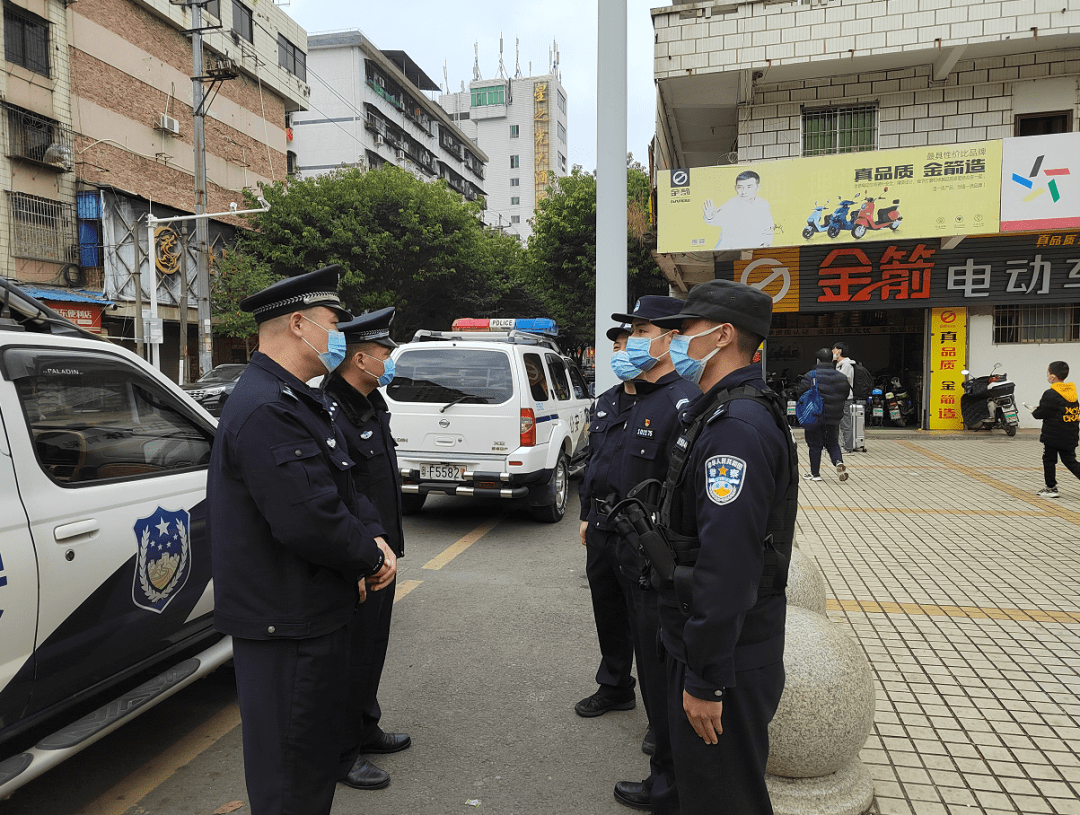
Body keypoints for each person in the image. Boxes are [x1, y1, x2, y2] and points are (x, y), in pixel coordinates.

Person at [208, 265, 397, 815]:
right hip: (285, 622)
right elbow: (307, 518)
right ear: (298, 324)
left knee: (309, 768)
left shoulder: (295, 399)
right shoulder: (268, 407)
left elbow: (343, 484)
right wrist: (368, 556)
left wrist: (374, 540)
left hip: (308, 611)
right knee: (291, 781)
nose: (340, 336)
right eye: (333, 324)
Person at [649, 279, 798, 815]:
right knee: (699, 788)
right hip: (704, 640)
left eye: (684, 331)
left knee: (723, 797)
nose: (673, 343)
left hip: (725, 658)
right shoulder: (718, 411)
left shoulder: (736, 426)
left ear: (722, 335)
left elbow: (729, 563)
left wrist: (706, 679)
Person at [608, 296, 701, 814]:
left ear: (669, 338)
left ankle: (669, 784)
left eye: (642, 331)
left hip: (660, 567)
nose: (633, 342)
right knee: (653, 672)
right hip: (632, 557)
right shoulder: (642, 396)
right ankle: (665, 772)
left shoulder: (683, 400)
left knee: (668, 681)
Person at [324, 308, 412, 790]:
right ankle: (342, 751)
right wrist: (359, 556)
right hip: (360, 552)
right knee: (350, 654)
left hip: (384, 549)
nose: (389, 361)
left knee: (372, 646)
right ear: (360, 358)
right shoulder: (330, 409)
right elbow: (341, 492)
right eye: (384, 354)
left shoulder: (370, 402)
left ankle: (365, 725)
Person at [796, 348, 850, 483]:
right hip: (834, 416)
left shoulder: (811, 375)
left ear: (818, 360)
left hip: (815, 415)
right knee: (832, 443)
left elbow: (801, 392)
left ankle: (815, 474)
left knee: (815, 445)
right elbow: (846, 394)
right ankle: (838, 462)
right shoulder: (841, 377)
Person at [1031, 360, 1080, 498]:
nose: (1047, 376)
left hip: (1053, 435)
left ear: (1053, 376)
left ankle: (1051, 488)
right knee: (1070, 461)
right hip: (1070, 433)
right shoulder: (1072, 392)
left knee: (1049, 459)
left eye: (1047, 372)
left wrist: (1033, 411)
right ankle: (1051, 488)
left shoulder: (1050, 394)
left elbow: (1040, 414)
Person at [701, 170, 774, 249]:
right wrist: (710, 217)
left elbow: (768, 228)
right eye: (740, 187)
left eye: (749, 187)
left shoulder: (763, 204)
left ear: (758, 187)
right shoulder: (731, 204)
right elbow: (718, 219)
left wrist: (766, 244)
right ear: (735, 188)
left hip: (754, 250)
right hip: (730, 252)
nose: (744, 191)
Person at [832, 342, 856, 453]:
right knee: (839, 422)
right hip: (839, 397)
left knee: (845, 422)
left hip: (845, 398)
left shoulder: (846, 365)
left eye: (834, 349)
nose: (832, 351)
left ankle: (848, 447)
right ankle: (840, 445)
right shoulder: (839, 365)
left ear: (839, 351)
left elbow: (839, 380)